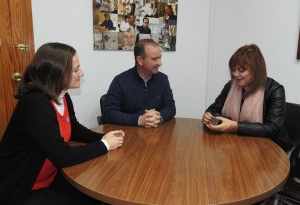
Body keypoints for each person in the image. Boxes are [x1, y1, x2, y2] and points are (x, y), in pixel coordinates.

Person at [0, 42, 125, 205]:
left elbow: (73, 129)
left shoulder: (62, 95)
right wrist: (104, 145)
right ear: (56, 73)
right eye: (75, 69)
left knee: (95, 196)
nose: (81, 73)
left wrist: (103, 137)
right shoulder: (36, 103)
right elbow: (62, 156)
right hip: (21, 187)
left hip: (48, 177)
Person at [201, 44, 292, 151]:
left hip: (272, 148)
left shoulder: (275, 90)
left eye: (241, 70)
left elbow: (272, 129)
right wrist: (210, 116)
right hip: (239, 144)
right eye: (233, 70)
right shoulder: (231, 86)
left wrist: (236, 126)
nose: (235, 74)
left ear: (256, 70)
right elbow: (213, 109)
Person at [103, 39, 176, 127]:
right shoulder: (120, 81)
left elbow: (171, 107)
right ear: (140, 60)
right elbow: (108, 113)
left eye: (160, 57)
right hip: (129, 133)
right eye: (154, 59)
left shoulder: (163, 79)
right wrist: (139, 120)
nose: (160, 63)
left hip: (156, 132)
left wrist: (158, 118)